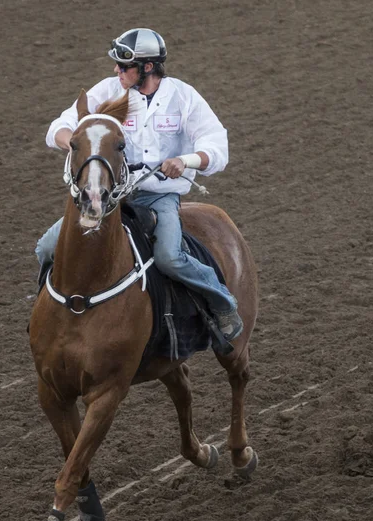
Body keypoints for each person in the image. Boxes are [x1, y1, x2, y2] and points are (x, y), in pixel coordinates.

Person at [37, 28, 242, 341]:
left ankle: (223, 302)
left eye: (123, 66)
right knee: (47, 247)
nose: (116, 71)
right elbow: (59, 128)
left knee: (170, 257)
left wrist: (186, 161)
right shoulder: (108, 91)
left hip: (160, 199)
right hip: (112, 197)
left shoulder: (183, 97)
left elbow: (217, 147)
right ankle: (49, 311)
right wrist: (77, 142)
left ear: (148, 67)